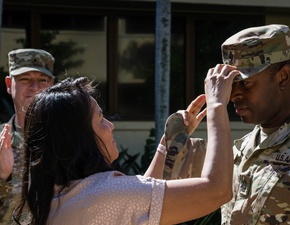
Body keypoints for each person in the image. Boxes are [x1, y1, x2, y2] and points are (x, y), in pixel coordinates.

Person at [165, 24, 290, 224]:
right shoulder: (242, 149)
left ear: (283, 76)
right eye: (231, 84)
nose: (233, 95)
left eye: (246, 83)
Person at [12, 64, 237, 225]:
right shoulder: (105, 194)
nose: (110, 126)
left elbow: (139, 195)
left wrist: (168, 144)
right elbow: (216, 190)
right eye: (100, 119)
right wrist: (217, 104)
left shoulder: (60, 193)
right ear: (78, 137)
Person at [0, 49, 55, 224]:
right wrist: (2, 177)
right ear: (9, 84)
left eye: (42, 80)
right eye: (25, 79)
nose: (35, 87)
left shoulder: (69, 141)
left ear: (52, 85)